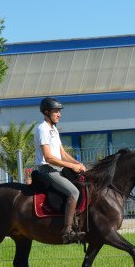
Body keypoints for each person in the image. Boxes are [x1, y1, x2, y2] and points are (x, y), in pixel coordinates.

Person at [34, 97, 87, 243]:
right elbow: (49, 158)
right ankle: (67, 231)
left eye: (59, 111)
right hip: (48, 170)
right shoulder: (42, 129)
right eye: (56, 111)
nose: (59, 114)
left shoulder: (54, 129)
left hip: (58, 169)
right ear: (46, 112)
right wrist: (72, 166)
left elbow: (62, 154)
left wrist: (79, 163)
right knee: (73, 192)